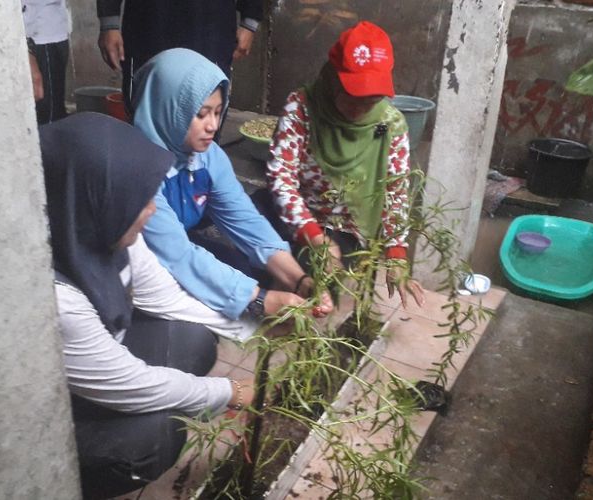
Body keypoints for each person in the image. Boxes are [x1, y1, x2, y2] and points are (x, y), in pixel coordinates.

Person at [40, 112, 256, 498]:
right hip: (55, 415)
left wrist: (256, 328)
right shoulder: (57, 297)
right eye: (139, 200)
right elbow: (132, 385)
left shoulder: (108, 230)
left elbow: (167, 299)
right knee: (154, 438)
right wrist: (230, 393)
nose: (152, 211)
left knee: (195, 340)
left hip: (99, 365)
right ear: (97, 196)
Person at [131, 48, 333, 326]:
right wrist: (260, 299)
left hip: (176, 247)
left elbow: (244, 220)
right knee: (193, 333)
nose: (213, 125)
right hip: (138, 266)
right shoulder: (137, 168)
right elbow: (175, 253)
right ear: (168, 108)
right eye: (200, 115)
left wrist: (299, 280)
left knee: (242, 271)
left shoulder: (207, 156)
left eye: (217, 111)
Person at [265, 21, 426, 309]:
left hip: (349, 226)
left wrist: (397, 253)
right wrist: (314, 237)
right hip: (303, 218)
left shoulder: (389, 124)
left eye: (371, 100)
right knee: (272, 260)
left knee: (324, 286)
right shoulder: (302, 108)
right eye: (352, 98)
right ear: (332, 80)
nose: (361, 109)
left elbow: (395, 194)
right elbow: (282, 179)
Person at [96, 0, 261, 108]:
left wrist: (250, 19)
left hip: (211, 24)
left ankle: (203, 162)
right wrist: (109, 23)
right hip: (149, 24)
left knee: (205, 112)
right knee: (146, 112)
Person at [22, 0, 70, 124]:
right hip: (38, 35)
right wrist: (26, 50)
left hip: (52, 29)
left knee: (53, 112)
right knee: (47, 117)